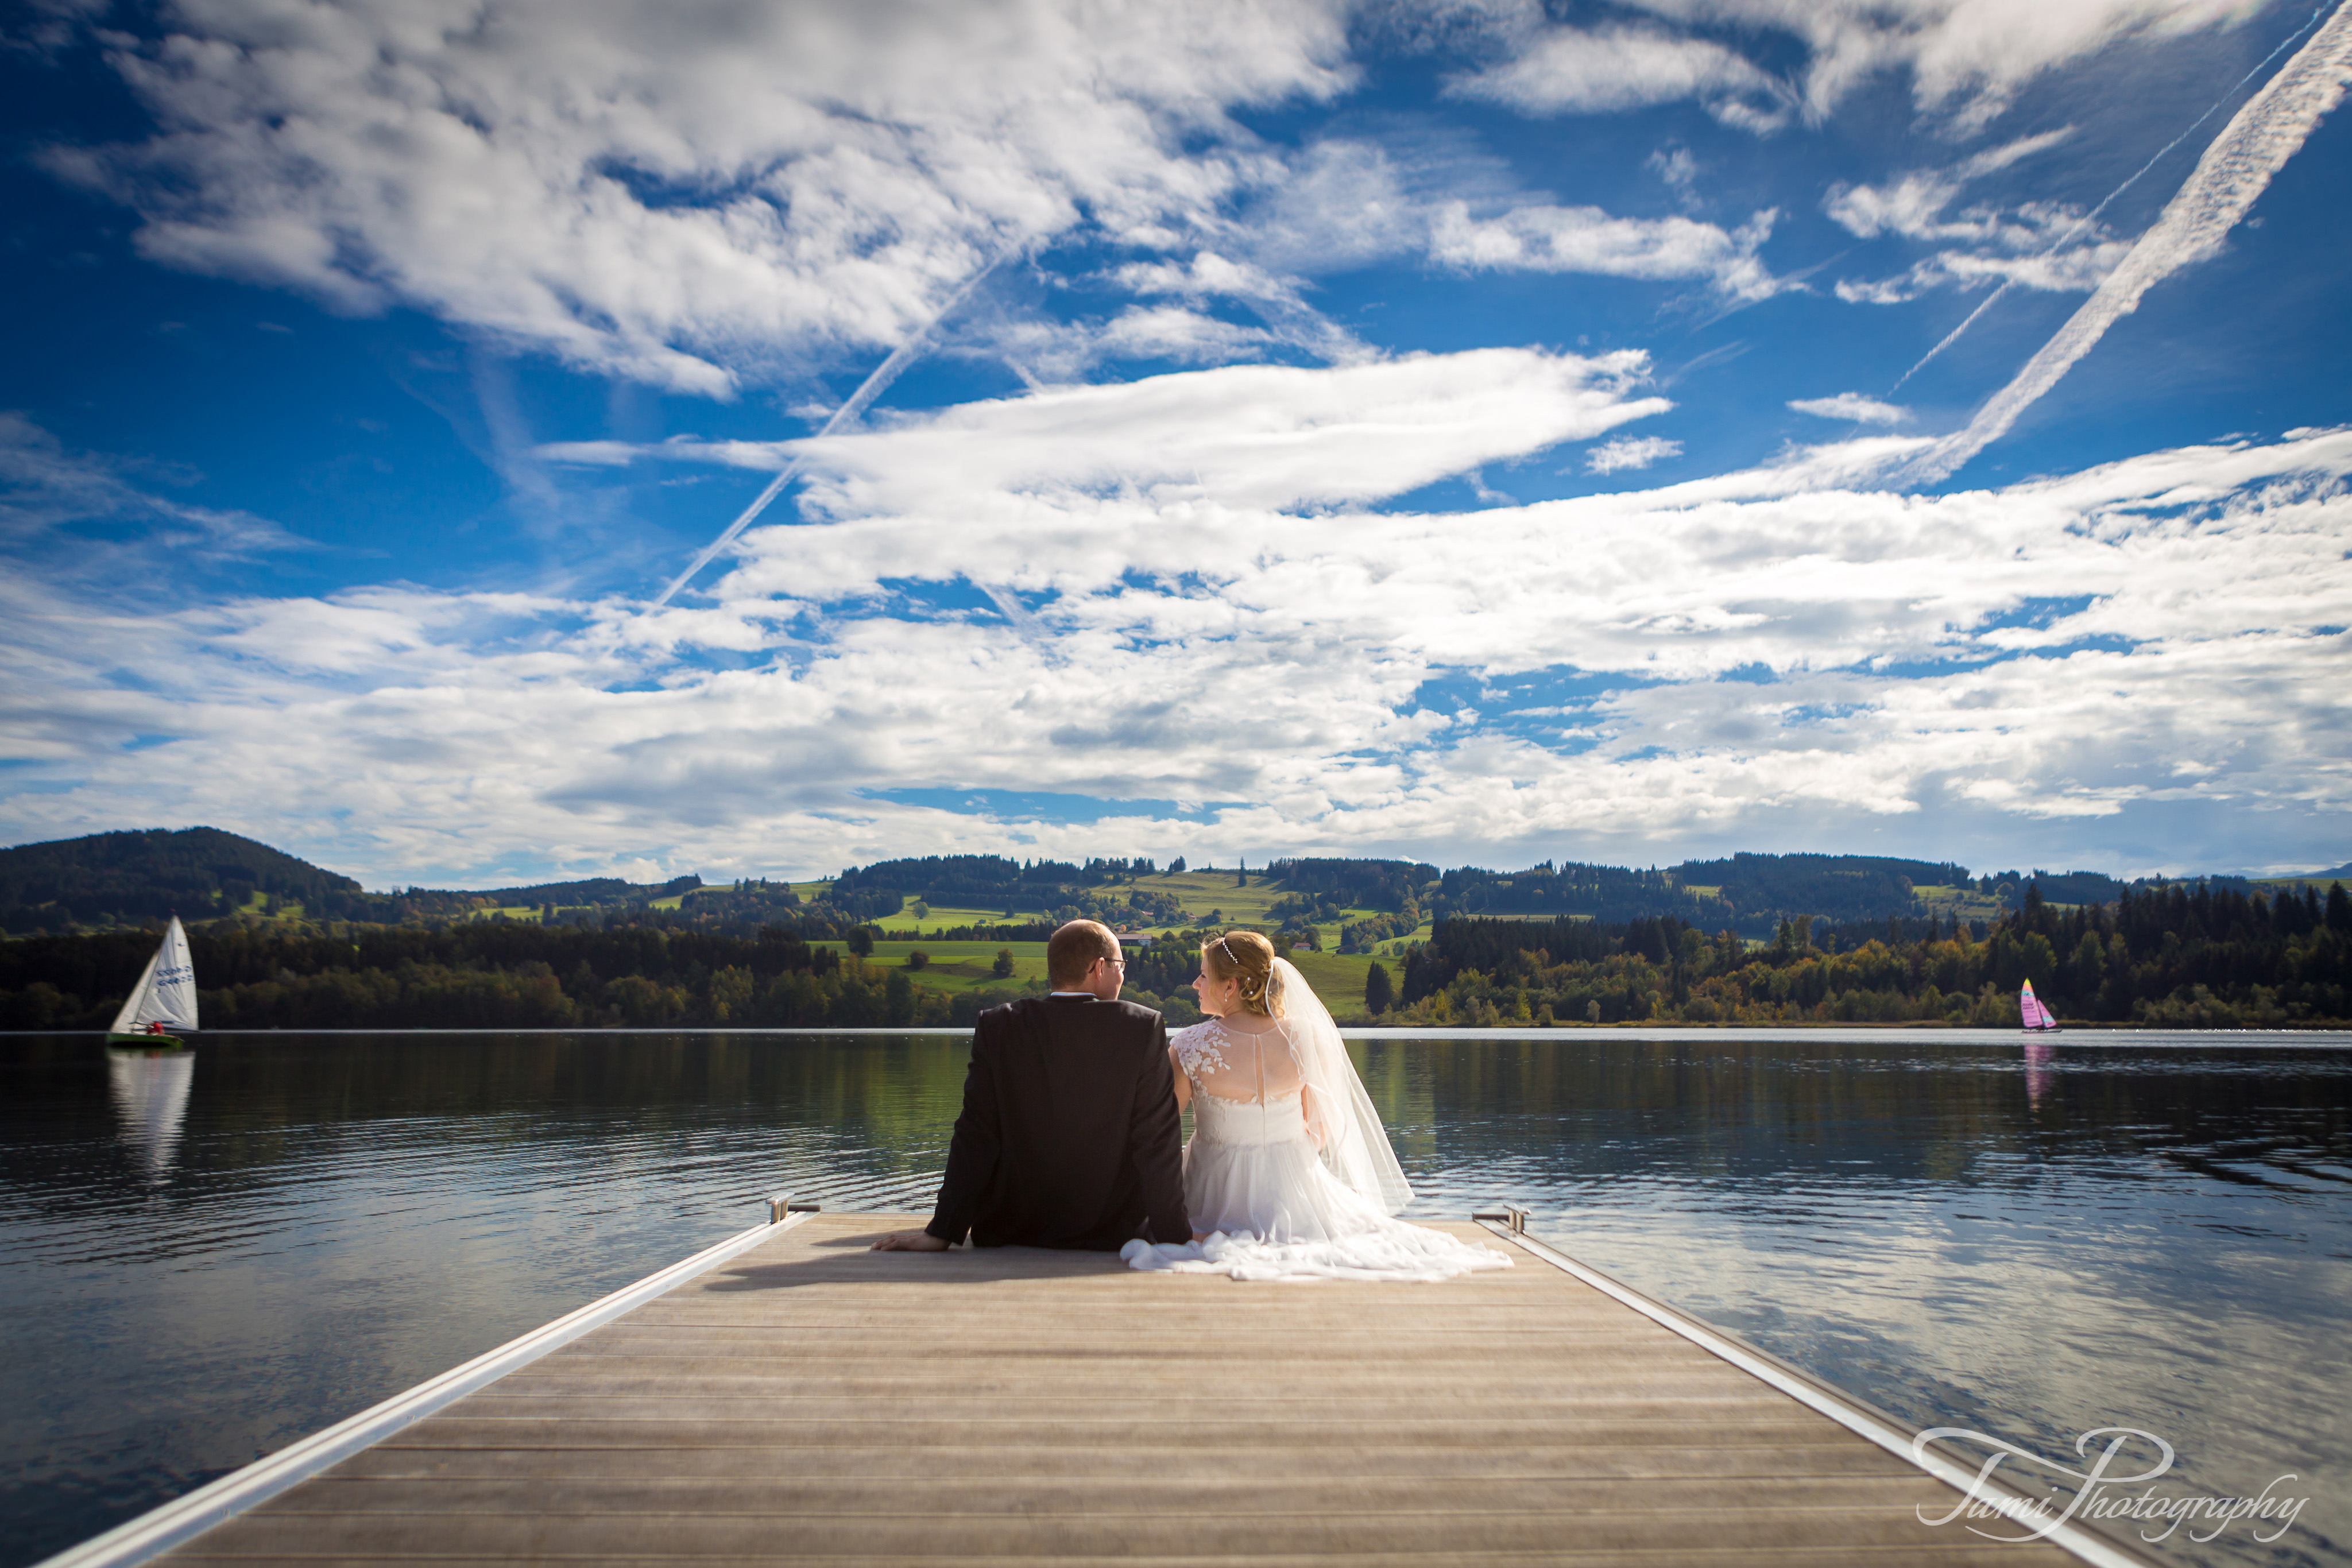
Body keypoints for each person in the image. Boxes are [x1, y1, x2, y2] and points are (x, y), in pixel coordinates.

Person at [1121, 930, 1511, 1282]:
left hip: (1213, 1186)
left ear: (1232, 986)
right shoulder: (1306, 1036)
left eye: (1204, 974)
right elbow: (1321, 1127)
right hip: (1296, 1187)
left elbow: (1162, 1132)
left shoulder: (1191, 1045)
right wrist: (1287, 1157)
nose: (1196, 983)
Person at [873, 919, 1189, 1253]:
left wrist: (943, 1230)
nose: (1123, 975)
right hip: (1111, 1233)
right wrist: (1175, 1238)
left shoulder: (997, 1025)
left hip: (1009, 1231)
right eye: (1120, 965)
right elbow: (1156, 1143)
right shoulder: (1141, 1026)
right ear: (1099, 968)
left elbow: (975, 1134)